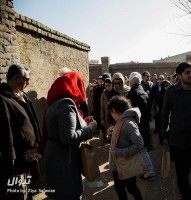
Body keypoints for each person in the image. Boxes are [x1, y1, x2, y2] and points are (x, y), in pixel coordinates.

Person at [44, 71, 97, 200]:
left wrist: (83, 122)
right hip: (64, 160)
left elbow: (64, 127)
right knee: (68, 194)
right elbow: (68, 137)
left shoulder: (56, 102)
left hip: (57, 156)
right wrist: (89, 129)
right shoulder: (66, 103)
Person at [0, 64, 41, 199]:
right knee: (18, 193)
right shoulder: (4, 99)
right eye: (26, 79)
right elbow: (5, 131)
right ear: (17, 78)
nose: (28, 83)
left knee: (27, 190)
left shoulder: (21, 96)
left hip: (28, 156)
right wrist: (10, 158)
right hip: (18, 159)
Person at [161, 62, 191, 200]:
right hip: (179, 142)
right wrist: (164, 134)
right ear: (179, 75)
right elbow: (165, 113)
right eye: (187, 73)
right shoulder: (171, 91)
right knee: (182, 176)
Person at [107, 95, 143, 200]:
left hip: (124, 164)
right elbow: (122, 139)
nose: (111, 115)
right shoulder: (122, 121)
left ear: (114, 110)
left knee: (128, 188)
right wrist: (111, 134)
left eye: (111, 112)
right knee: (124, 188)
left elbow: (139, 144)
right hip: (120, 163)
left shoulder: (128, 123)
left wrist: (119, 152)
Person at [127, 72, 155, 181]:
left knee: (142, 149)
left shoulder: (132, 94)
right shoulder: (143, 91)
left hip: (138, 126)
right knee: (142, 149)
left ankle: (150, 172)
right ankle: (146, 171)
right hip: (144, 124)